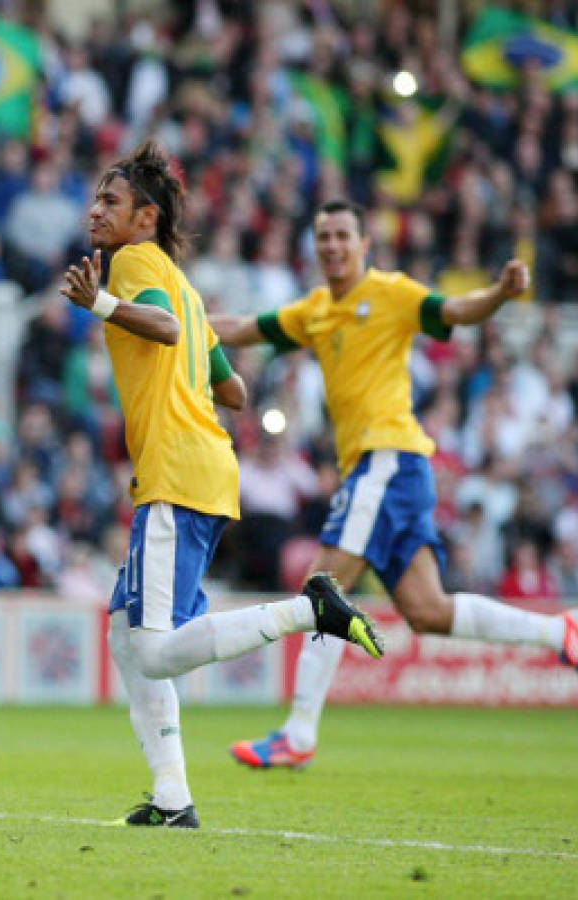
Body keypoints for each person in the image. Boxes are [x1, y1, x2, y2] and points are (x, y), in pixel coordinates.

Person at [209, 200, 578, 770]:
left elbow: (458, 310)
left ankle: (298, 732)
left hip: (387, 460)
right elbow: (245, 328)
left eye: (343, 235)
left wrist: (500, 292)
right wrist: (177, 325)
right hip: (388, 472)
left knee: (323, 586)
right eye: (323, 237)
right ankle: (559, 631)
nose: (333, 246)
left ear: (365, 242)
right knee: (426, 610)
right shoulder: (315, 310)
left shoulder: (390, 293)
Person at [60, 144, 384, 829]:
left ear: (146, 217)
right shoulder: (183, 281)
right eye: (95, 198)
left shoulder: (135, 264)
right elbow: (232, 389)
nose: (95, 210)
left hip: (177, 471)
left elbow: (165, 328)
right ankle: (172, 799)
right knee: (126, 636)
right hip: (199, 463)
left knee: (151, 648)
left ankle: (307, 612)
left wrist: (101, 304)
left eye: (110, 202)